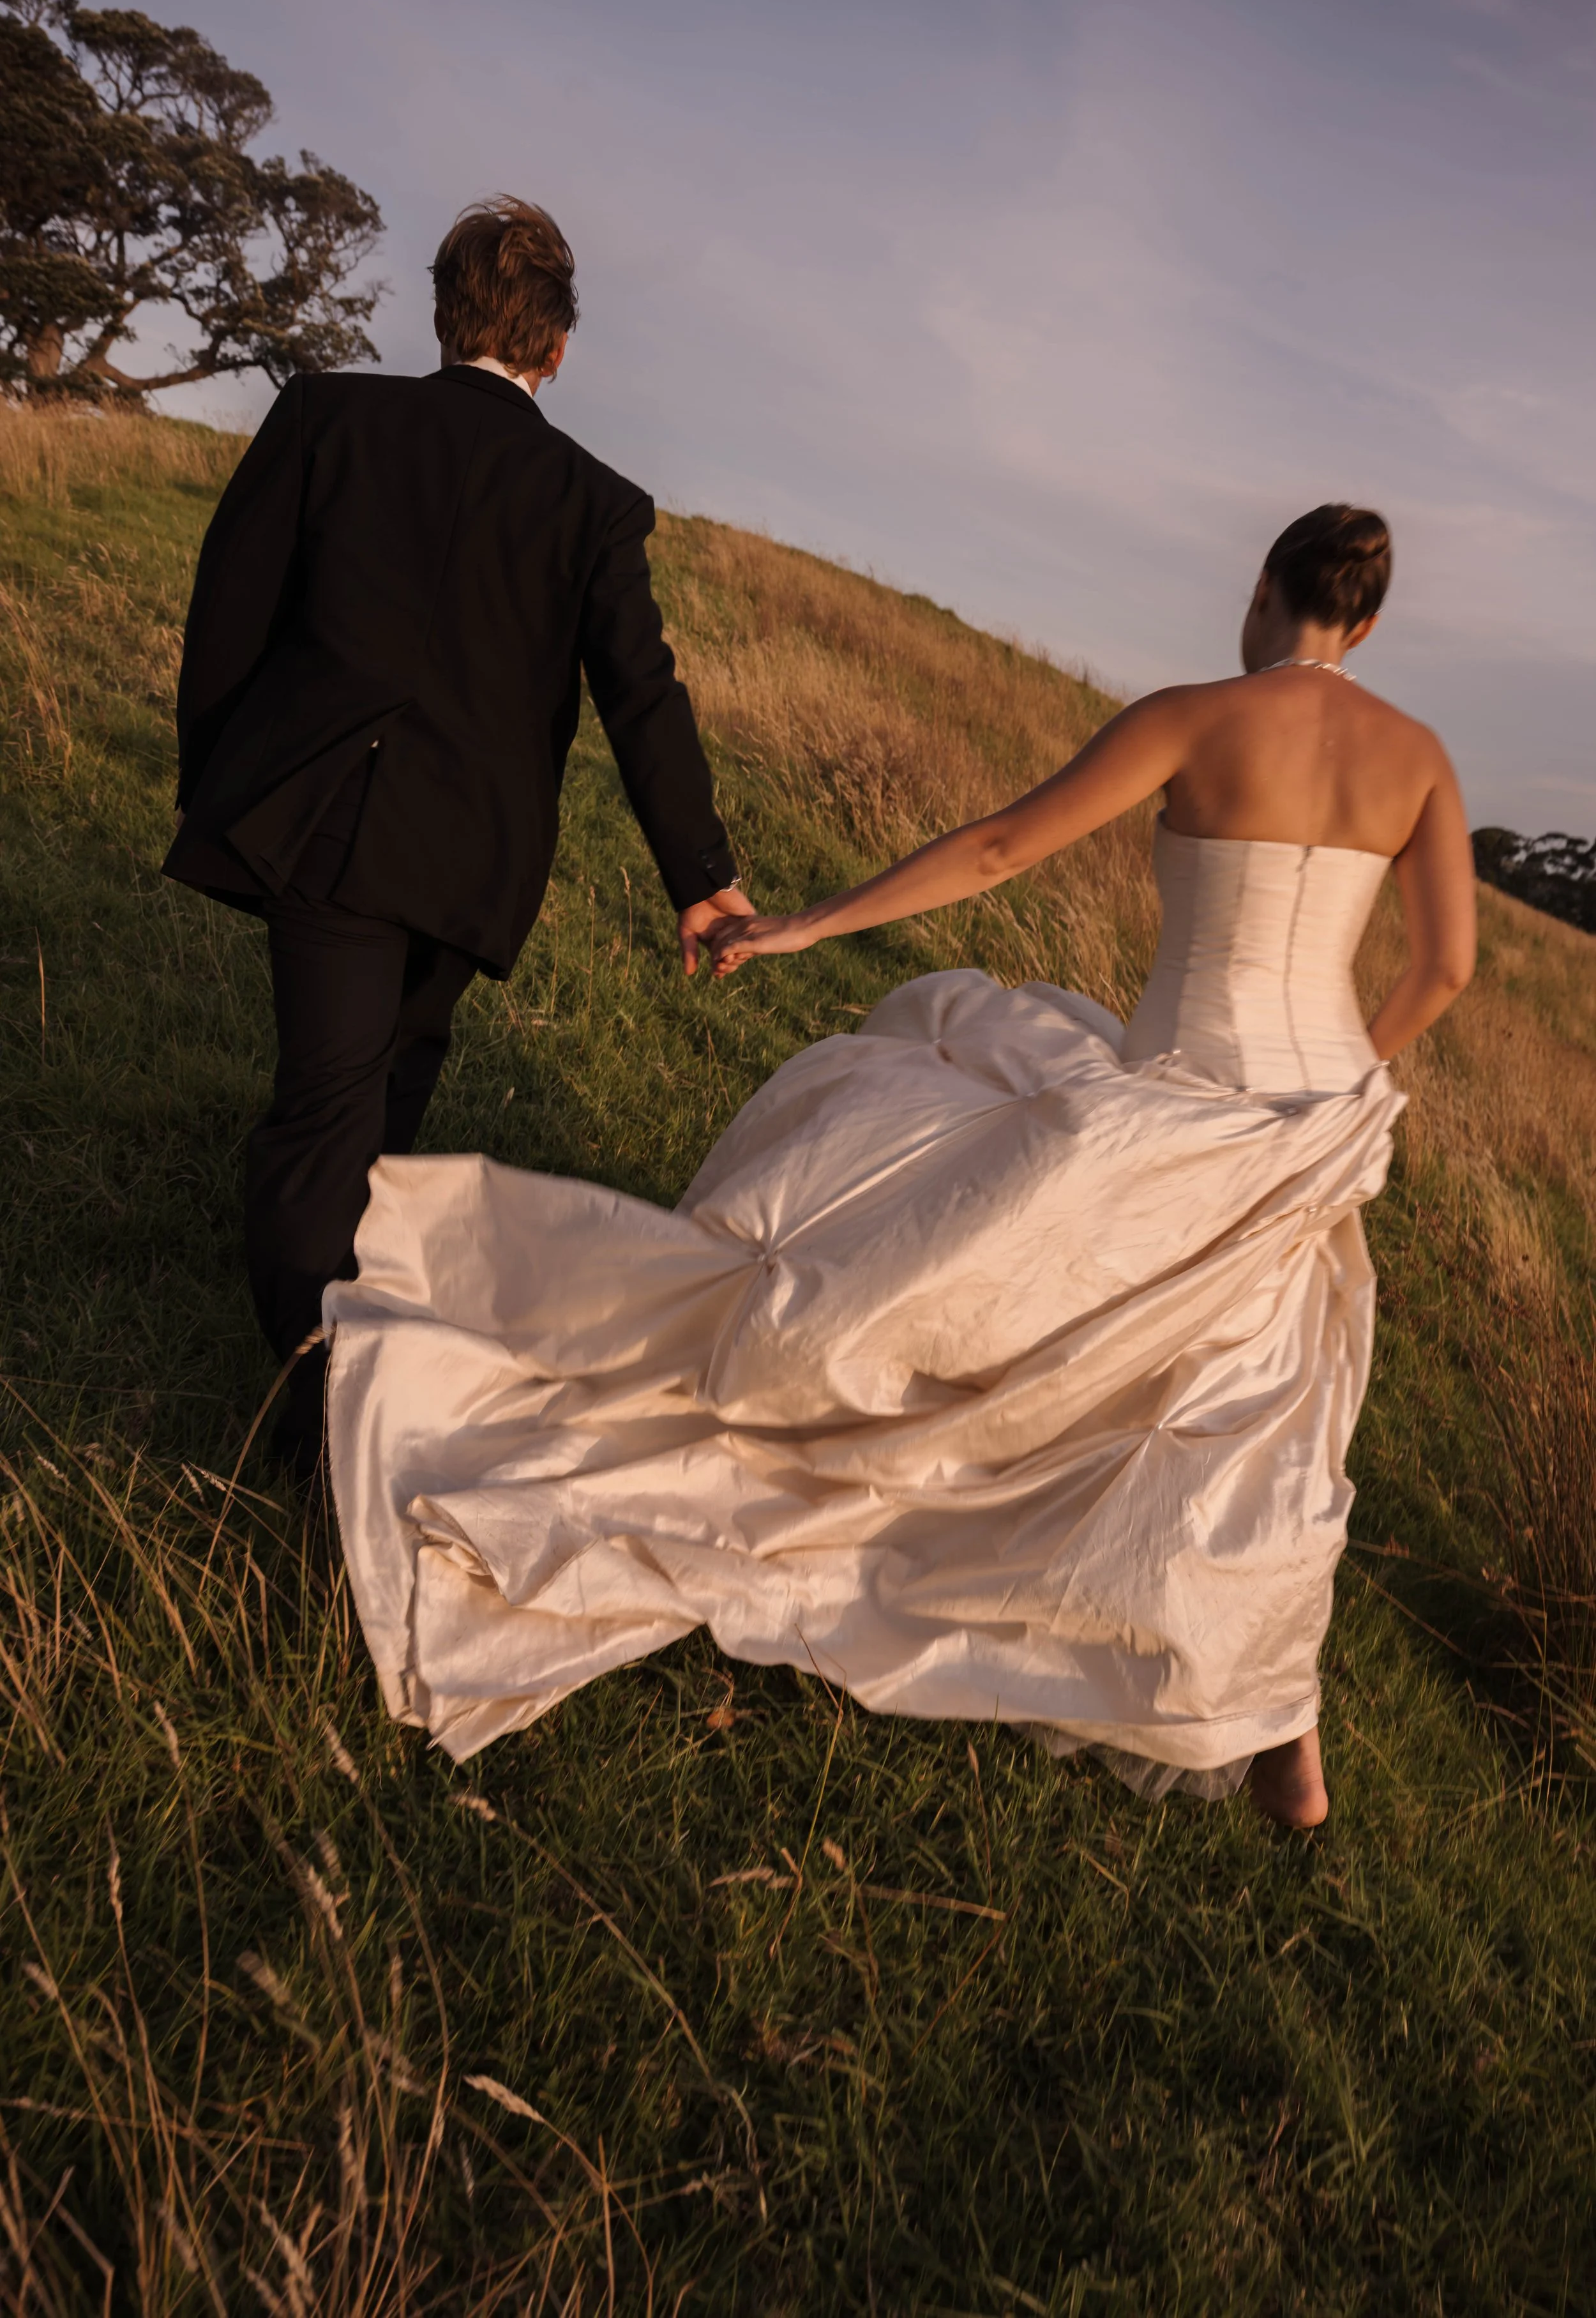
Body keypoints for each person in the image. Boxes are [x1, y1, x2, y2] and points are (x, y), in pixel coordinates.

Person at [324, 506, 1475, 1828]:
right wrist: (1324, 1099)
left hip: (1175, 1090)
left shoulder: (1195, 718)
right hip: (1315, 1110)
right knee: (1270, 1405)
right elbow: (1441, 969)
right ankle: (1279, 1734)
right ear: (1368, 622)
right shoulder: (1421, 760)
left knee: (1047, 1309)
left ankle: (1193, 1679)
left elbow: (996, 851)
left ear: (1263, 588)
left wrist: (805, 925)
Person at [162, 197, 753, 1476]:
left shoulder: (328, 415)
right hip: (471, 857)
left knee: (331, 1111)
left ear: (442, 316)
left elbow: (228, 613)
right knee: (377, 1104)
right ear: (554, 349)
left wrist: (215, 784)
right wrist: (699, 879)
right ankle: (336, 1388)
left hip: (319, 817)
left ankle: (326, 1400)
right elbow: (641, 694)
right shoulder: (594, 502)